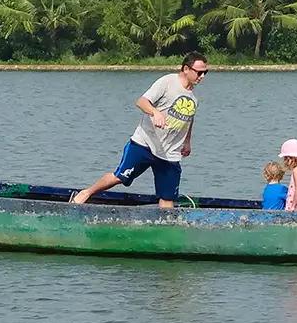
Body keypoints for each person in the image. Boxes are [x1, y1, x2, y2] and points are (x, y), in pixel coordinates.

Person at [71, 52, 208, 208]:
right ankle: (86, 193)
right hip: (144, 144)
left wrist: (187, 142)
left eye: (205, 72)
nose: (202, 76)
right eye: (199, 72)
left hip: (170, 153)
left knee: (167, 197)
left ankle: (165, 227)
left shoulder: (193, 98)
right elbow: (141, 101)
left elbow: (188, 119)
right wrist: (155, 112)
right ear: (186, 69)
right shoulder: (167, 82)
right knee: (120, 177)